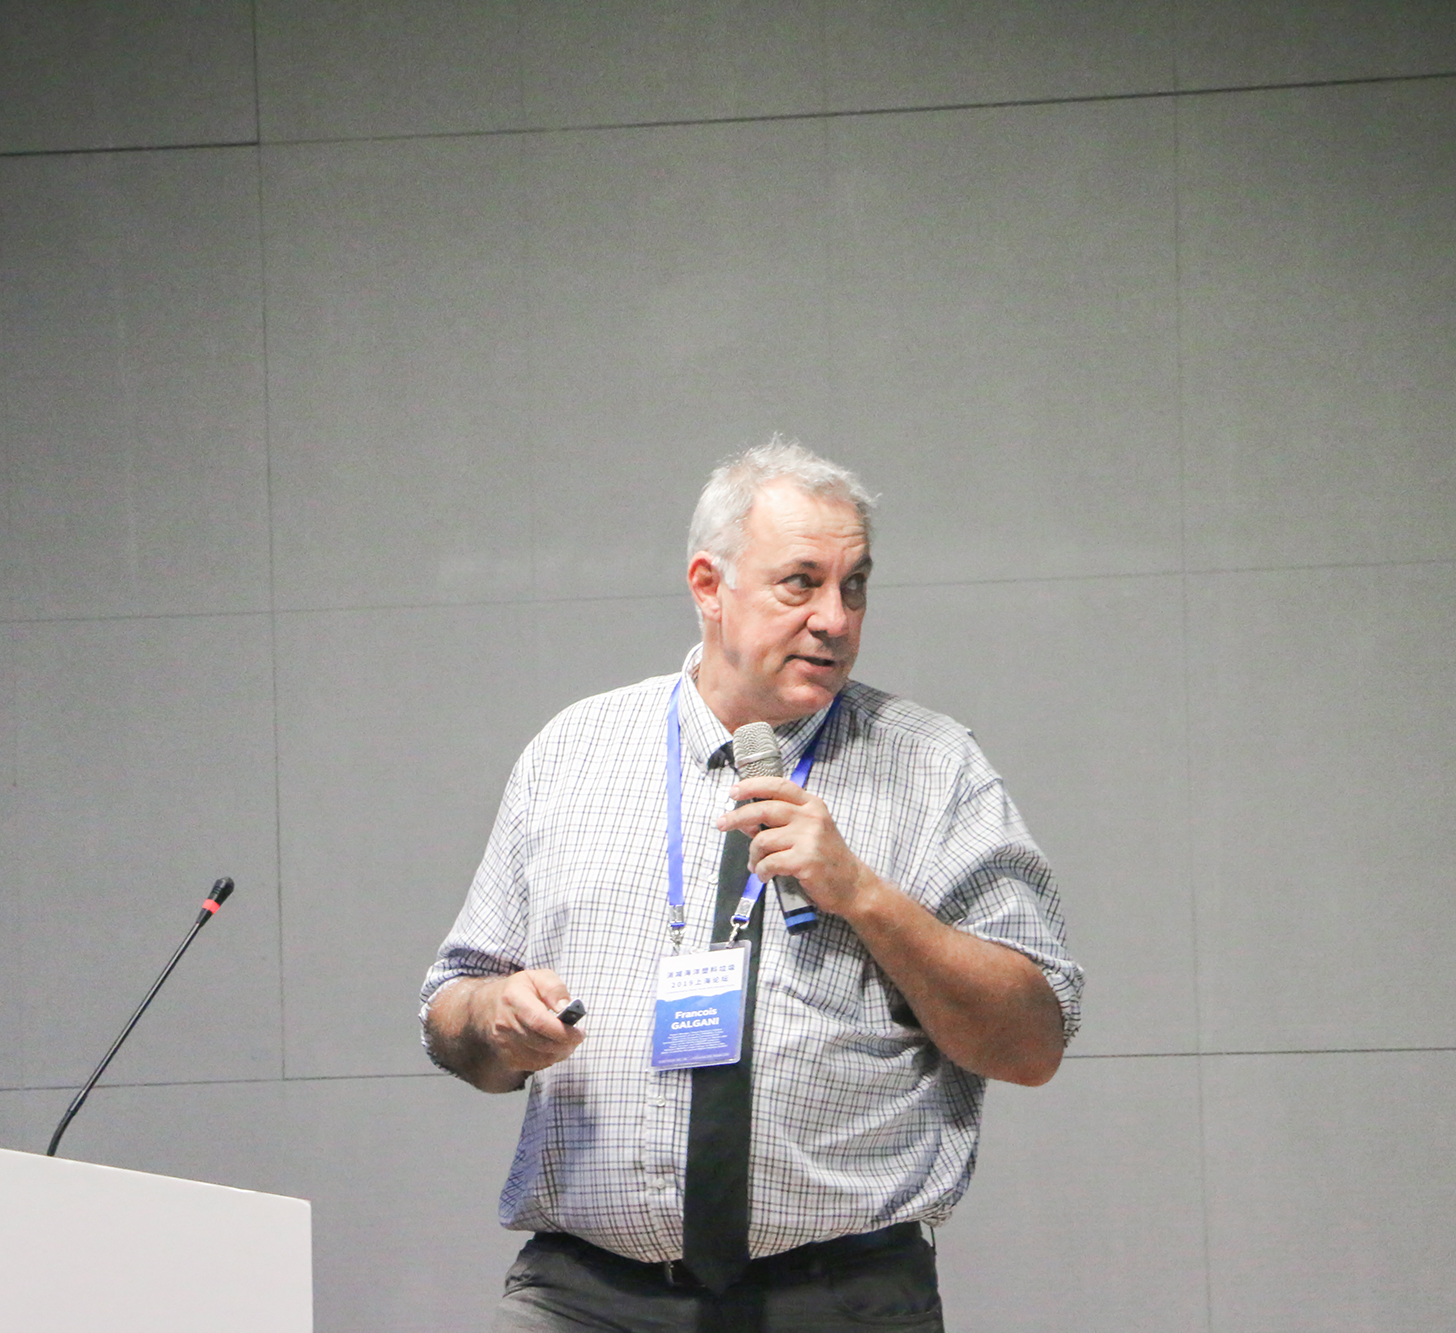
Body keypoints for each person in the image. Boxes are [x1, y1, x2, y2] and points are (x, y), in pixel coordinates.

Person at [421, 438, 1081, 1332]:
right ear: (708, 585)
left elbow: (1031, 1042)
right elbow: (450, 1012)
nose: (834, 618)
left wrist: (864, 895)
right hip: (583, 1295)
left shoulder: (933, 767)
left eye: (854, 586)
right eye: (799, 583)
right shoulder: (572, 752)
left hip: (837, 1297)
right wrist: (494, 1016)